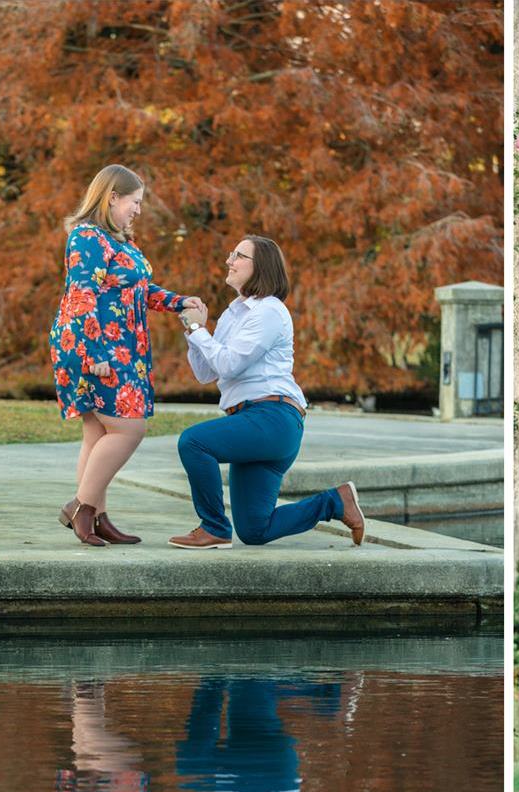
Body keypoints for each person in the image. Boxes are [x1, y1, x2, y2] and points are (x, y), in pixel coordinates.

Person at [167, 235, 366, 549]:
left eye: (239, 255)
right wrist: (193, 331)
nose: (229, 260)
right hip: (253, 422)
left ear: (260, 267)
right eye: (231, 253)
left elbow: (229, 364)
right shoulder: (235, 314)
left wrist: (198, 330)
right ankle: (335, 502)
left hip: (273, 418)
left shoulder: (269, 311)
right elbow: (207, 373)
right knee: (255, 529)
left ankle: (214, 527)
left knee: (193, 442)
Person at [50, 164, 201, 546]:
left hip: (122, 349)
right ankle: (80, 508)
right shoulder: (87, 237)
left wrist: (180, 302)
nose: (138, 209)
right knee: (130, 428)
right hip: (95, 347)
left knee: (97, 432)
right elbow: (82, 294)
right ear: (112, 196)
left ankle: (98, 517)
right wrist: (95, 352)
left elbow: (141, 290)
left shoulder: (120, 241)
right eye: (134, 201)